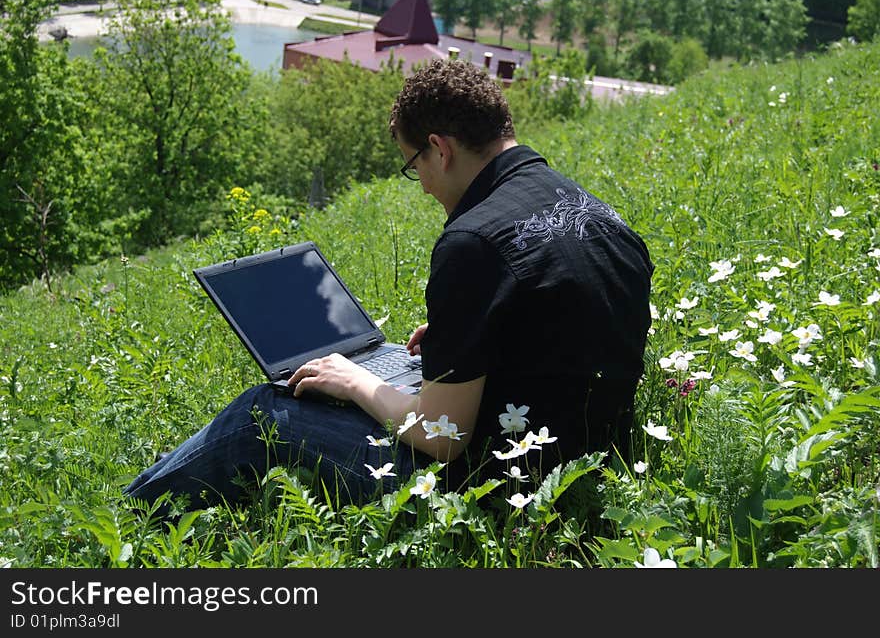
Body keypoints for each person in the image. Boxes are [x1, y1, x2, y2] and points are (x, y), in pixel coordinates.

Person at [123, 59, 654, 514]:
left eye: (412, 165)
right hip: (593, 457)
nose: (421, 184)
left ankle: (126, 525)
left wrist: (354, 381)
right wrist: (472, 334)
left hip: (500, 486)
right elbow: (563, 317)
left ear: (438, 149)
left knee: (261, 412)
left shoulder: (473, 242)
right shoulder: (594, 209)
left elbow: (443, 436)